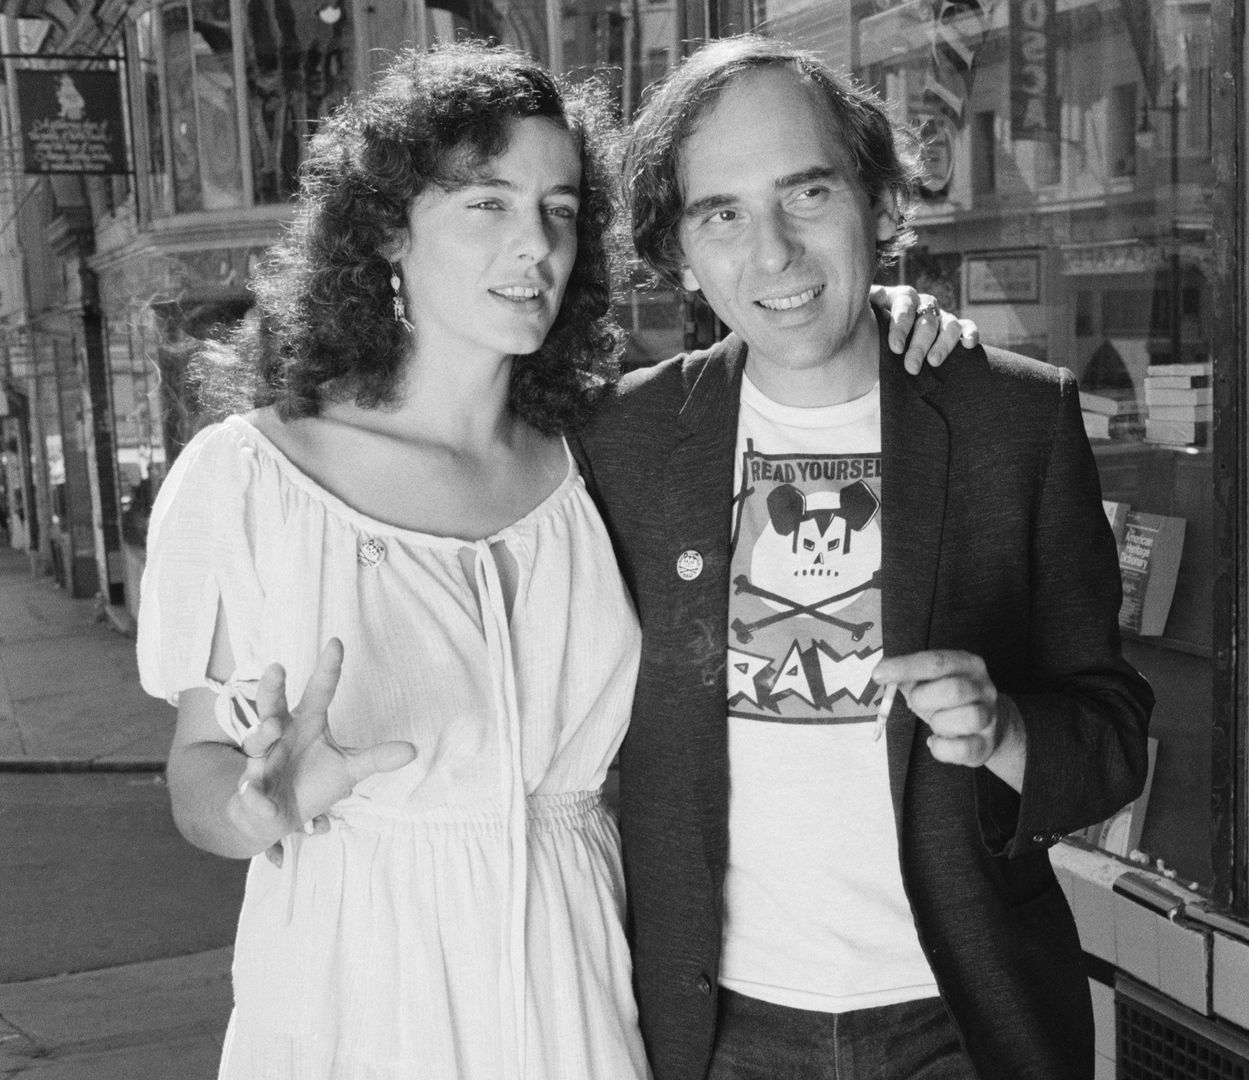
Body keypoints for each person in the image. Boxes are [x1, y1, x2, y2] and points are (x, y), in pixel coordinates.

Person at [135, 42, 970, 1080]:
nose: (534, 245)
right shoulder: (253, 477)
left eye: (561, 208)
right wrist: (258, 804)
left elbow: (793, 366)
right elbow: (198, 775)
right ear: (389, 229)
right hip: (361, 990)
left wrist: (886, 316)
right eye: (486, 203)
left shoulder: (601, 454)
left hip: (578, 994)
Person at [580, 35, 1154, 1080]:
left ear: (881, 202)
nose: (775, 255)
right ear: (679, 252)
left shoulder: (1011, 419)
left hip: (963, 1022)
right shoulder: (620, 446)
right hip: (715, 1034)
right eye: (723, 215)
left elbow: (1113, 739)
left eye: (806, 195)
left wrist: (1007, 731)